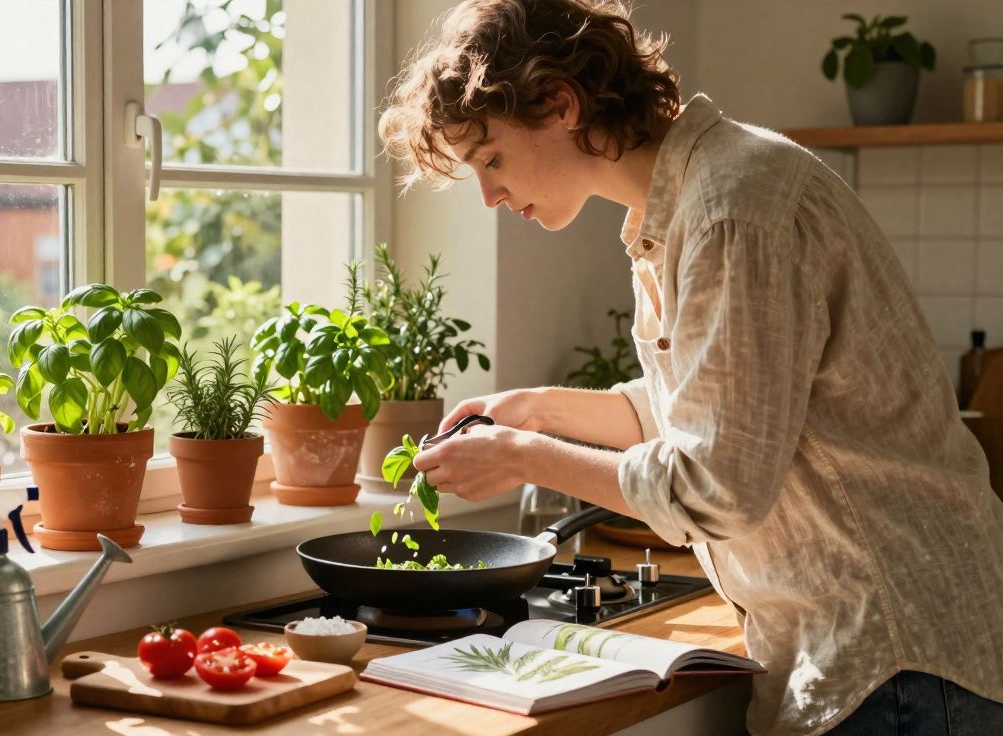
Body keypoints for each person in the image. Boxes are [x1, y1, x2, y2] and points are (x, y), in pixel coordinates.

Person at [380, 1, 1003, 734]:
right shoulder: (690, 205)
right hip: (876, 654)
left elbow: (717, 487)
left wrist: (523, 456)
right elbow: (720, 406)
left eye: (491, 159)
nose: (488, 195)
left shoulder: (730, 212)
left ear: (560, 103)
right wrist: (538, 409)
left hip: (898, 657)